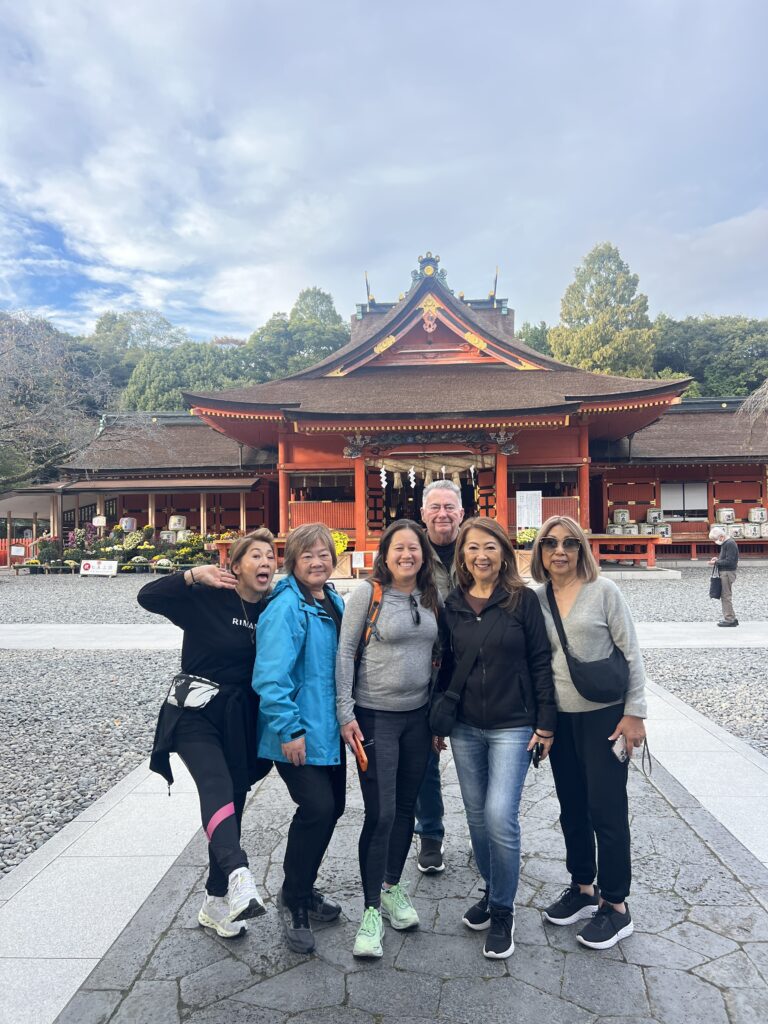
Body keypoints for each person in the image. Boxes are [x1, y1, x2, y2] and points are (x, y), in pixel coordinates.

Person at [139, 530, 276, 939]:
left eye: (271, 556)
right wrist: (192, 576)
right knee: (216, 784)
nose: (266, 562)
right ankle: (238, 874)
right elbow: (148, 597)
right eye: (255, 555)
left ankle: (215, 901)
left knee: (232, 798)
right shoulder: (207, 599)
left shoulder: (273, 608)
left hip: (241, 720)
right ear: (234, 566)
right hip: (196, 712)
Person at [435, 517, 556, 959]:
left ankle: (503, 909)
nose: (481, 556)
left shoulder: (521, 601)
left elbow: (541, 660)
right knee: (476, 816)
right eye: (472, 549)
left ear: (503, 552)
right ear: (462, 557)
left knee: (500, 815)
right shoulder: (452, 603)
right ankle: (491, 889)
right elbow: (446, 665)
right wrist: (438, 724)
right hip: (466, 725)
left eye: (489, 547)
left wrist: (546, 723)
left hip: (513, 723)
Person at [530, 515, 647, 950]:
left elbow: (630, 652)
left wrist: (635, 713)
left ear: (582, 549)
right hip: (559, 719)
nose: (559, 551)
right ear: (539, 552)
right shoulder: (537, 598)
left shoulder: (604, 592)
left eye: (569, 543)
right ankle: (583, 887)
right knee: (572, 807)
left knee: (607, 810)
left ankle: (616, 905)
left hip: (604, 717)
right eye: (550, 543)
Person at [336, 520, 441, 958]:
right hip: (375, 716)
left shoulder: (433, 596)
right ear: (385, 553)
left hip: (418, 717)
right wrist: (345, 713)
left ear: (423, 553)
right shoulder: (368, 594)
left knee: (404, 808)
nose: (406, 555)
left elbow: (441, 655)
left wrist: (438, 720)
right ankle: (370, 911)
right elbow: (344, 652)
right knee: (379, 813)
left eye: (413, 548)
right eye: (398, 548)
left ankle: (392, 886)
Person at [252, 523, 346, 955]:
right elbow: (271, 676)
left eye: (324, 553)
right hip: (298, 732)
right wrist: (289, 729)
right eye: (307, 555)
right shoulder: (286, 606)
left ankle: (302, 888)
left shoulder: (333, 600)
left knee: (333, 809)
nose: (317, 561)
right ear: (292, 560)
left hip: (330, 731)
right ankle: (295, 899)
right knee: (318, 807)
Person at [414, 478, 465, 873]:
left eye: (450, 507)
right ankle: (430, 833)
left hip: (474, 667)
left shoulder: (477, 546)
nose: (443, 514)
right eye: (435, 507)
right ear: (423, 514)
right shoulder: (412, 552)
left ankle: (488, 835)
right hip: (426, 668)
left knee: (479, 753)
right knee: (425, 757)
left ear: (461, 513)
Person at [709, 526, 739, 626]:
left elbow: (729, 561)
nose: (715, 542)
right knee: (725, 595)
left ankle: (729, 619)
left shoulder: (729, 544)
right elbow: (726, 558)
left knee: (726, 596)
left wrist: (716, 562)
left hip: (727, 572)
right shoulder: (727, 543)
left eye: (715, 539)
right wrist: (717, 559)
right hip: (726, 572)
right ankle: (731, 617)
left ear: (721, 536)